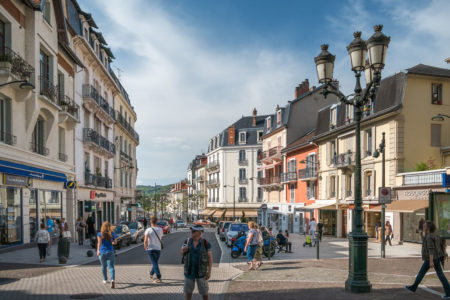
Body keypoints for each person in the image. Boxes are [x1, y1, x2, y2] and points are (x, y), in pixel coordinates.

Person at [405, 221, 450, 298]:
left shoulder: (429, 237)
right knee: (440, 275)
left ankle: (413, 287)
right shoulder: (435, 235)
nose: (423, 227)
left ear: (428, 228)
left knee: (421, 274)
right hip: (437, 257)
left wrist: (431, 261)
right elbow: (443, 242)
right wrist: (444, 252)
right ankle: (448, 292)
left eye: (424, 226)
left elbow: (431, 249)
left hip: (431, 259)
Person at [180, 225, 213, 300]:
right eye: (192, 231)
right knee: (188, 292)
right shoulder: (187, 241)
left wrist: (209, 272)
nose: (191, 232)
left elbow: (210, 258)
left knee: (204, 292)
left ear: (199, 232)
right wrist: (183, 250)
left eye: (194, 231)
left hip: (201, 273)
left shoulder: (206, 243)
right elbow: (181, 252)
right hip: (189, 272)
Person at [97, 222, 117, 289]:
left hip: (102, 252)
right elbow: (115, 242)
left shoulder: (100, 234)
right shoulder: (112, 234)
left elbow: (99, 243)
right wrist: (112, 242)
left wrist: (98, 250)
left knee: (103, 266)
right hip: (110, 252)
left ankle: (105, 279)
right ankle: (112, 280)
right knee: (111, 267)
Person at [144, 216, 164, 283]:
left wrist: (145, 247)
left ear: (150, 222)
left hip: (151, 248)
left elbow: (145, 240)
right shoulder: (160, 229)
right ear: (157, 221)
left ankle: (159, 277)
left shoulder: (148, 230)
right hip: (158, 248)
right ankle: (151, 273)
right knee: (155, 262)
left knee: (154, 263)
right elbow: (160, 237)